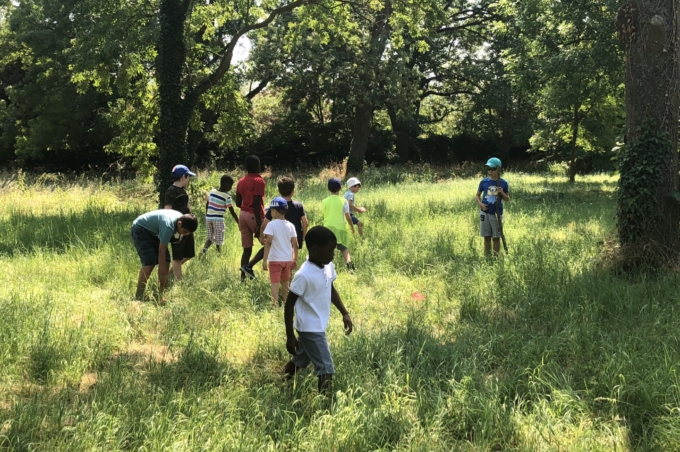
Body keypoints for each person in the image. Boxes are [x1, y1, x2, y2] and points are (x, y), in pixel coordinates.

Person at [282, 226, 353, 395]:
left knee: (301, 359)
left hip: (318, 324)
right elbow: (289, 304)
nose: (333, 254)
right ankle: (326, 406)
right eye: (330, 251)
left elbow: (331, 290)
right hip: (310, 328)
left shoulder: (327, 266)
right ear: (316, 249)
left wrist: (345, 312)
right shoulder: (303, 275)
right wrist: (290, 336)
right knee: (326, 367)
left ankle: (283, 380)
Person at [130, 210, 198, 301]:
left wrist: (164, 273)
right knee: (150, 262)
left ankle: (161, 294)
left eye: (187, 233)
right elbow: (161, 251)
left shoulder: (183, 220)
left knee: (166, 259)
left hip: (153, 232)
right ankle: (139, 296)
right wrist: (163, 275)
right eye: (184, 231)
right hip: (140, 229)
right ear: (179, 223)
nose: (184, 234)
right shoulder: (168, 226)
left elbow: (163, 254)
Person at [247, 176, 309, 270]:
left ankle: (250, 265)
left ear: (279, 191)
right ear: (293, 191)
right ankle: (287, 280)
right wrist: (303, 236)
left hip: (278, 236)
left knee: (271, 249)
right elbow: (305, 223)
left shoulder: (275, 206)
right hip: (293, 236)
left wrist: (261, 236)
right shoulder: (298, 206)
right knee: (289, 258)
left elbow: (264, 223)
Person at [262, 197, 299, 307]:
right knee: (285, 282)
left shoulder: (271, 225)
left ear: (275, 211)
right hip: (287, 259)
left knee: (274, 282)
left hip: (274, 260)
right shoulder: (290, 225)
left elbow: (268, 242)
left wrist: (264, 260)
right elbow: (295, 244)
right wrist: (294, 258)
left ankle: (274, 304)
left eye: (271, 210)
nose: (270, 213)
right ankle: (286, 303)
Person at [235, 155, 265, 280]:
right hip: (254, 215)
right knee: (270, 243)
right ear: (258, 166)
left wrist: (245, 205)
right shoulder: (259, 181)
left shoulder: (241, 181)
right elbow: (257, 201)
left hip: (243, 215)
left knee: (246, 249)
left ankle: (242, 279)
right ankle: (249, 266)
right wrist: (259, 224)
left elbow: (237, 202)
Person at [164, 164, 197, 281]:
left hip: (188, 226)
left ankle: (169, 273)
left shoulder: (183, 191)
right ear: (183, 177)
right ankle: (179, 281)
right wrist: (174, 229)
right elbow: (167, 210)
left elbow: (187, 207)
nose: (189, 180)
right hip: (179, 228)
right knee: (177, 257)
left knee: (189, 254)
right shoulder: (171, 191)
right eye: (188, 177)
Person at [475, 157, 510, 258]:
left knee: (496, 237)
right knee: (486, 237)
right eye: (488, 169)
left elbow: (507, 199)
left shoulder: (503, 183)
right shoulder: (484, 182)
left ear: (498, 169)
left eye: (493, 169)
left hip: (496, 214)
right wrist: (480, 204)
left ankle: (496, 258)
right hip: (484, 213)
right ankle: (487, 257)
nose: (490, 171)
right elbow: (477, 195)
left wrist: (502, 192)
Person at [200, 174, 239, 257]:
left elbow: (207, 204)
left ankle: (203, 250)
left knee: (210, 238)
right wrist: (238, 221)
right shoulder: (227, 196)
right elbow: (232, 211)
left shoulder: (212, 192)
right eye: (231, 185)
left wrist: (206, 215)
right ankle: (219, 255)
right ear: (226, 185)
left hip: (209, 218)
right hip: (218, 219)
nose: (231, 188)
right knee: (219, 239)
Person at [323, 177, 355, 270]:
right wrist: (352, 227)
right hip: (340, 228)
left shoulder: (324, 201)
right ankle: (350, 265)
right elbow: (348, 217)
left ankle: (327, 267)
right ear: (340, 188)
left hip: (328, 228)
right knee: (344, 248)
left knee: (328, 249)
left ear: (328, 189)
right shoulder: (343, 201)